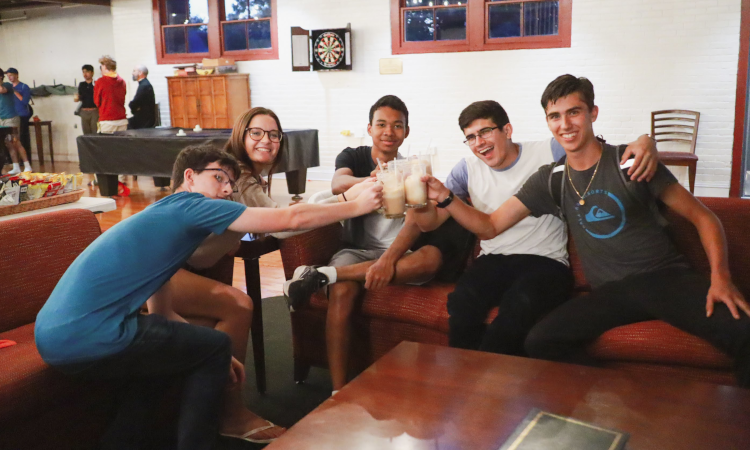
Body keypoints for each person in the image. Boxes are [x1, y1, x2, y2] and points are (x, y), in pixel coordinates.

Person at [34, 144, 383, 450]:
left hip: (54, 337)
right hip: (92, 334)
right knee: (216, 346)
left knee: (168, 364)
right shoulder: (191, 205)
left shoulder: (162, 217)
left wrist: (197, 348)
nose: (226, 189)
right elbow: (288, 218)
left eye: (231, 182)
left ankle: (122, 443)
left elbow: (161, 307)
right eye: (218, 177)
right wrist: (354, 205)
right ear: (189, 177)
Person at [420, 74, 750, 387]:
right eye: (555, 116)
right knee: (540, 341)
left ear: (592, 113)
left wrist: (720, 278)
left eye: (574, 112)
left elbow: (706, 219)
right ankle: (627, 400)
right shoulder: (551, 179)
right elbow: (490, 227)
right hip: (611, 293)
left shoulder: (629, 162)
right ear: (548, 122)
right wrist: (446, 197)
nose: (565, 125)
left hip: (664, 279)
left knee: (746, 332)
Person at [156, 107, 374, 444]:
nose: (266, 140)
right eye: (256, 132)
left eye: (273, 134)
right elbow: (286, 222)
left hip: (177, 270)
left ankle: (213, 412)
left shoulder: (242, 176)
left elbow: (263, 220)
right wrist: (348, 200)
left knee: (223, 319)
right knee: (239, 306)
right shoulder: (238, 175)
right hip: (164, 272)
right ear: (241, 135)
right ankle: (232, 414)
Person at [412, 100, 657, 356]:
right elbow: (430, 223)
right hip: (493, 260)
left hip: (546, 261)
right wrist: (416, 199)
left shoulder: (548, 151)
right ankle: (464, 378)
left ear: (507, 130)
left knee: (515, 314)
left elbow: (594, 150)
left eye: (485, 132)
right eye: (470, 137)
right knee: (462, 304)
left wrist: (645, 140)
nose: (479, 142)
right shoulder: (465, 170)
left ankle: (488, 382)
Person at [284, 95, 474, 392]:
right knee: (342, 292)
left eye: (397, 126)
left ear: (406, 132)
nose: (389, 131)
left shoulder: (413, 170)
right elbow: (338, 184)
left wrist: (387, 260)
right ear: (370, 128)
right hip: (356, 251)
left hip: (399, 253)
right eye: (382, 124)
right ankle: (338, 390)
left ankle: (321, 274)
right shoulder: (355, 156)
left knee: (429, 261)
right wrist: (370, 180)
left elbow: (416, 221)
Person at [0, 68, 31, 175]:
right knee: (8, 144)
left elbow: (2, 90)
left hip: (11, 118)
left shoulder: (8, 85)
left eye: (11, 75)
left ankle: (27, 165)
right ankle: (16, 166)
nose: (10, 77)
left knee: (16, 141)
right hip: (2, 118)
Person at [94, 55, 127, 134]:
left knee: (106, 145)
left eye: (101, 67)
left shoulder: (101, 82)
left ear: (105, 67)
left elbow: (97, 102)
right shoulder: (122, 81)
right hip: (122, 120)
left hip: (107, 120)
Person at [6, 68, 32, 154]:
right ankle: (12, 159)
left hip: (22, 114)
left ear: (16, 75)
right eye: (8, 76)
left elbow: (25, 102)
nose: (9, 77)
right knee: (11, 138)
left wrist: (15, 92)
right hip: (11, 115)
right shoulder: (7, 88)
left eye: (11, 75)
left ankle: (26, 159)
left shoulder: (24, 86)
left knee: (23, 137)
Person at [128, 65, 156, 129]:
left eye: (134, 71)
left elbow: (136, 102)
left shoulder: (144, 86)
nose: (132, 73)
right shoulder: (145, 84)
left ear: (140, 73)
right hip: (145, 119)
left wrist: (131, 105)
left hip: (144, 121)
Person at [76, 64, 99, 135]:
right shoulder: (82, 84)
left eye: (87, 72)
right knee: (86, 133)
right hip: (84, 111)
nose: (85, 74)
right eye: (83, 72)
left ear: (92, 73)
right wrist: (77, 98)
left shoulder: (96, 83)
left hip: (94, 111)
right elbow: (81, 97)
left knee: (95, 131)